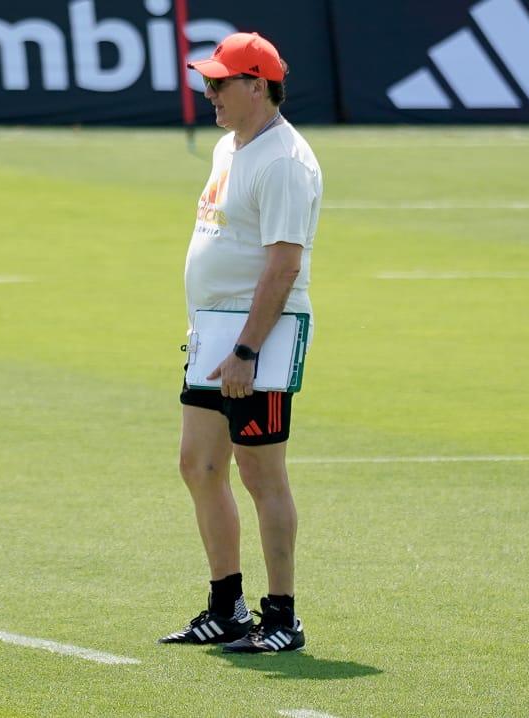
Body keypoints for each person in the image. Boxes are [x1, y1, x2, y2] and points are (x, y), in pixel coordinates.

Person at [158, 31, 322, 654]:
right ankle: (225, 606)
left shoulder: (284, 161)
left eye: (220, 83)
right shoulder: (233, 144)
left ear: (258, 85)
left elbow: (283, 266)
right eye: (208, 82)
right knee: (198, 466)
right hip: (213, 331)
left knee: (261, 474)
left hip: (258, 341)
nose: (210, 93)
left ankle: (281, 618)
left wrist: (247, 351)